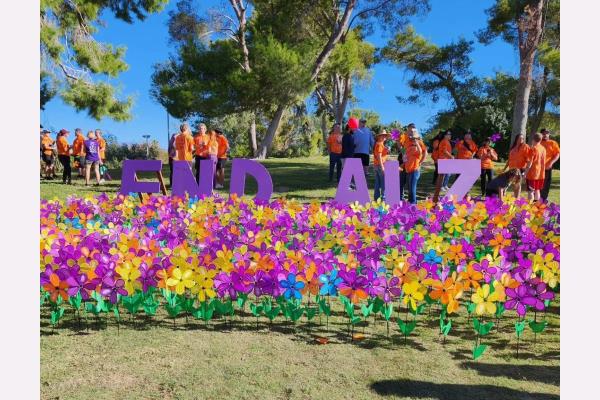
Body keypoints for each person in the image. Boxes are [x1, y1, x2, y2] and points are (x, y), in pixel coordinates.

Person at [404, 128, 427, 204]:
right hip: (408, 170)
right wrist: (404, 158)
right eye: (412, 138)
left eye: (415, 139)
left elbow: (421, 152)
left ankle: (413, 203)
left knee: (412, 188)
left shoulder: (417, 148)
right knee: (410, 188)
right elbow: (405, 157)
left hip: (414, 171)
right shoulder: (409, 147)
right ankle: (410, 201)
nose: (413, 140)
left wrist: (417, 143)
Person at [503, 134, 530, 198]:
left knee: (517, 184)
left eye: (522, 138)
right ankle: (515, 198)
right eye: (520, 138)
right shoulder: (513, 148)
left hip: (520, 168)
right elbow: (509, 160)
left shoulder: (525, 146)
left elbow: (529, 159)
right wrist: (504, 169)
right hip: (512, 169)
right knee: (514, 184)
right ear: (516, 139)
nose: (521, 140)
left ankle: (517, 199)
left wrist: (527, 169)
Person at [525, 132, 547, 202]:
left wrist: (525, 173)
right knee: (537, 190)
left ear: (533, 139)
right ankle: (537, 206)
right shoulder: (543, 149)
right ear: (540, 140)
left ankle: (530, 207)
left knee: (530, 191)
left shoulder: (533, 149)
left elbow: (530, 163)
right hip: (540, 174)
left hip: (532, 174)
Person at [539, 128, 560, 201]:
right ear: (541, 134)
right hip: (537, 168)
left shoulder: (553, 143)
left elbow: (557, 154)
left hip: (547, 167)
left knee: (546, 185)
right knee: (537, 184)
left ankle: (543, 200)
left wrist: (551, 163)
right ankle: (537, 200)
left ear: (549, 134)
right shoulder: (538, 142)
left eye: (547, 133)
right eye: (543, 133)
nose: (545, 135)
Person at [397, 123, 415, 199]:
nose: (412, 129)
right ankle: (400, 197)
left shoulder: (415, 137)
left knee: (410, 180)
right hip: (402, 158)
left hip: (411, 160)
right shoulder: (403, 135)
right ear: (408, 128)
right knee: (401, 179)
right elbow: (398, 144)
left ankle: (409, 199)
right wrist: (403, 152)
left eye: (413, 128)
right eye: (411, 127)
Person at [373, 130, 391, 201]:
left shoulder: (379, 144)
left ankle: (376, 198)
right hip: (380, 165)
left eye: (385, 136)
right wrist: (382, 167)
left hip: (376, 165)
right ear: (379, 137)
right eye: (382, 135)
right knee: (383, 183)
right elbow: (379, 156)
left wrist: (386, 150)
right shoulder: (380, 144)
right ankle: (383, 198)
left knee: (377, 183)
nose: (384, 137)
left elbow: (380, 154)